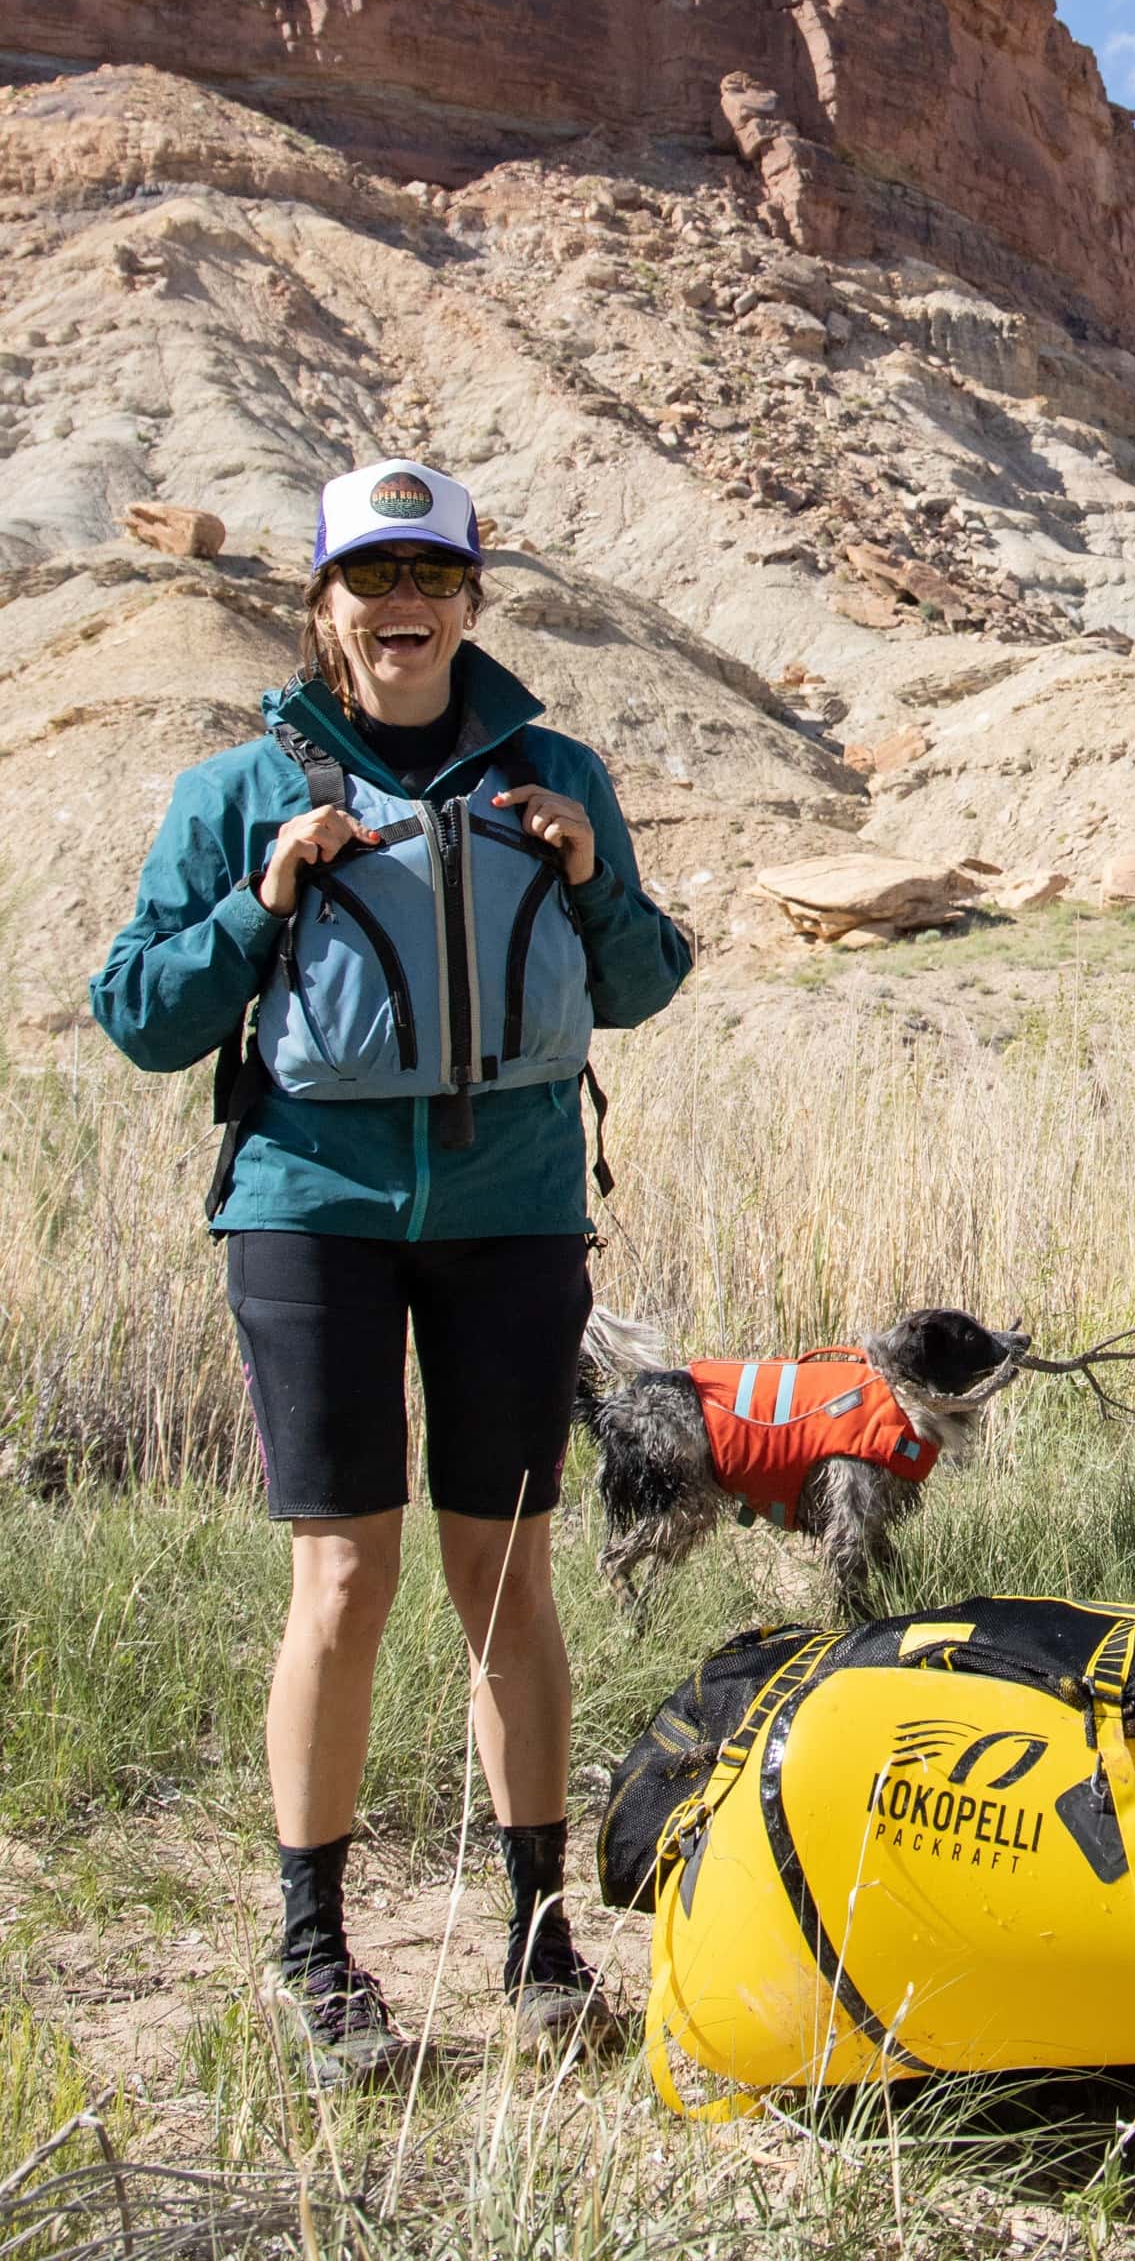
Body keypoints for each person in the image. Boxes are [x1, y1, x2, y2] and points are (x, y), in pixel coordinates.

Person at [91, 459, 692, 2084]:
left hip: (511, 1215)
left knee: (507, 1580)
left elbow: (644, 981)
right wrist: (258, 892)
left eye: (431, 573)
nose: (400, 602)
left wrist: (584, 868)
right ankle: (313, 1950)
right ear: (324, 604)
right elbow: (139, 1013)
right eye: (372, 576)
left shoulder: (555, 764)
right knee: (343, 1581)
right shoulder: (232, 786)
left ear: (472, 602)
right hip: (310, 1214)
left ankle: (536, 1939)